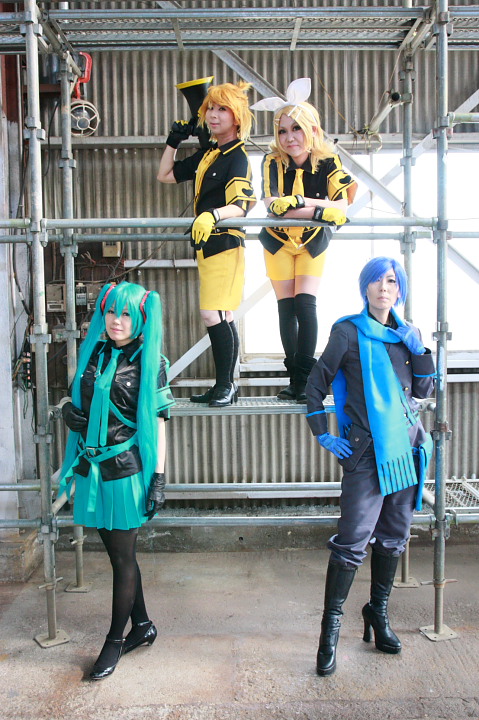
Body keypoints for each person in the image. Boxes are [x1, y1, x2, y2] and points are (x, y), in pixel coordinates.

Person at [305, 257, 435, 676]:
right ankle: (330, 630)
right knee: (352, 541)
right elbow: (316, 383)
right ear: (365, 288)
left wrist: (421, 351)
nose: (384, 288)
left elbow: (422, 390)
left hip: (405, 449)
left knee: (394, 536)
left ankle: (377, 612)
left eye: (391, 281)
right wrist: (322, 433)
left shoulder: (408, 334)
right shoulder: (348, 331)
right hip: (364, 454)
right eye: (376, 281)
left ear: (400, 290)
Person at [57, 281, 175, 681]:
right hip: (92, 469)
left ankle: (114, 640)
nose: (117, 321)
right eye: (111, 312)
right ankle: (142, 626)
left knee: (122, 559)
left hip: (125, 471)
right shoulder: (94, 351)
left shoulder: (151, 360)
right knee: (119, 555)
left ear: (140, 317)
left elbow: (160, 422)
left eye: (126, 314)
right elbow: (78, 395)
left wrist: (159, 478)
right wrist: (67, 409)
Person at [251, 78, 357, 402]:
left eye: (296, 128)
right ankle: (296, 380)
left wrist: (300, 203)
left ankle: (308, 380)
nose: (289, 137)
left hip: (311, 241)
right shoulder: (272, 161)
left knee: (305, 304)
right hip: (278, 241)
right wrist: (319, 209)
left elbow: (342, 206)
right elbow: (273, 205)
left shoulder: (328, 161)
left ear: (312, 129)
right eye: (283, 131)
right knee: (286, 309)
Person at [158, 81, 256, 407]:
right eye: (210, 108)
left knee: (212, 314)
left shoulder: (237, 156)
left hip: (225, 241)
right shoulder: (210, 154)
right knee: (222, 314)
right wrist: (174, 142)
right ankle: (225, 386)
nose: (213, 115)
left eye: (222, 109)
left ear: (237, 116)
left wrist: (212, 214)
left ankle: (226, 386)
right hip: (207, 243)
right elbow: (166, 175)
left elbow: (241, 205)